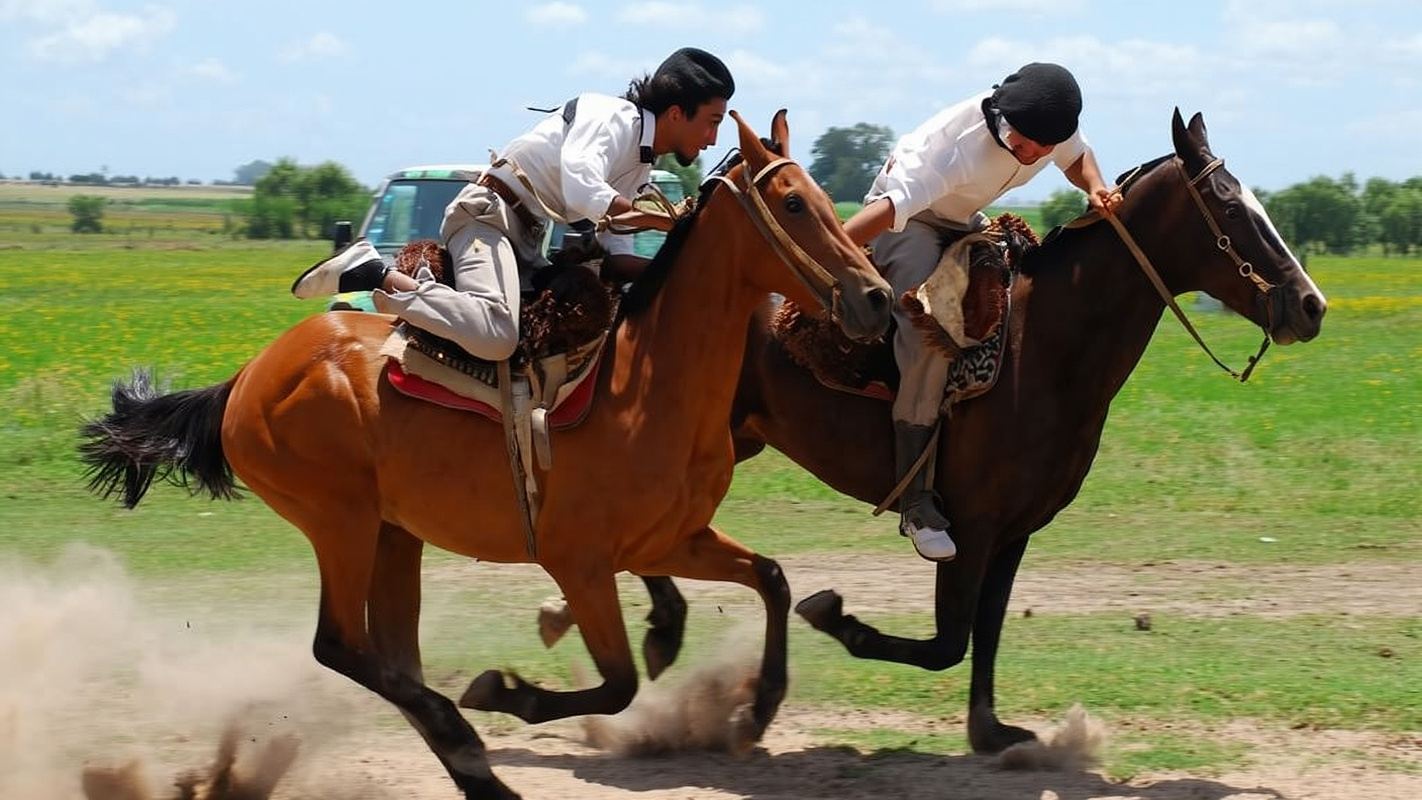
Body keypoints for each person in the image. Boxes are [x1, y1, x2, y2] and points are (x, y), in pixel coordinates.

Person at [841, 62, 1123, 562]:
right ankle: (916, 500)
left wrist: (1096, 186)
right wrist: (831, 260)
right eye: (1027, 144)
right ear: (1004, 120)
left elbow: (1077, 158)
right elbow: (887, 212)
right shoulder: (952, 150)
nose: (1034, 154)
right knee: (930, 330)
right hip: (908, 220)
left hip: (965, 220)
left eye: (1043, 148)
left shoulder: (1046, 125)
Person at [291, 47, 734, 362]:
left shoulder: (639, 168)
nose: (713, 139)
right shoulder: (613, 117)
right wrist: (660, 222)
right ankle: (374, 272)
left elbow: (617, 256)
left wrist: (682, 269)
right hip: (486, 217)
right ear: (677, 113)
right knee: (499, 336)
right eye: (712, 122)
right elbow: (582, 187)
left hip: (523, 239)